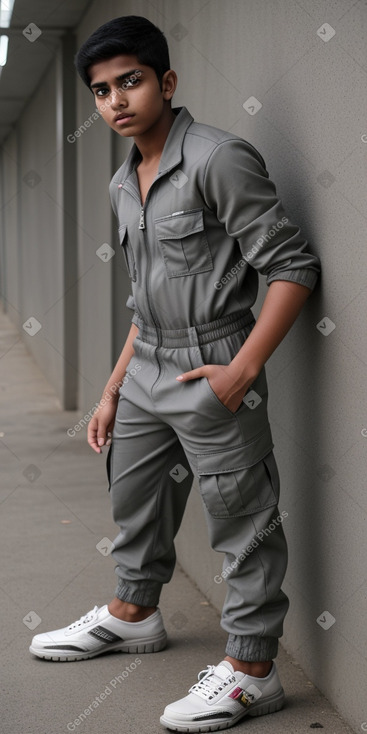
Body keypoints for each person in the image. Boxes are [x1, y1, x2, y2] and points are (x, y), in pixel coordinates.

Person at [29, 15, 321, 732]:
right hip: (146, 364)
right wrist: (110, 389)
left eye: (129, 81)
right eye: (100, 91)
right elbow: (143, 298)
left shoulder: (218, 158)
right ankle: (133, 614)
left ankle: (253, 670)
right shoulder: (123, 181)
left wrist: (240, 369)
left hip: (211, 362)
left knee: (241, 521)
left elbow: (291, 266)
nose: (115, 101)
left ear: (165, 82)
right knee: (135, 499)